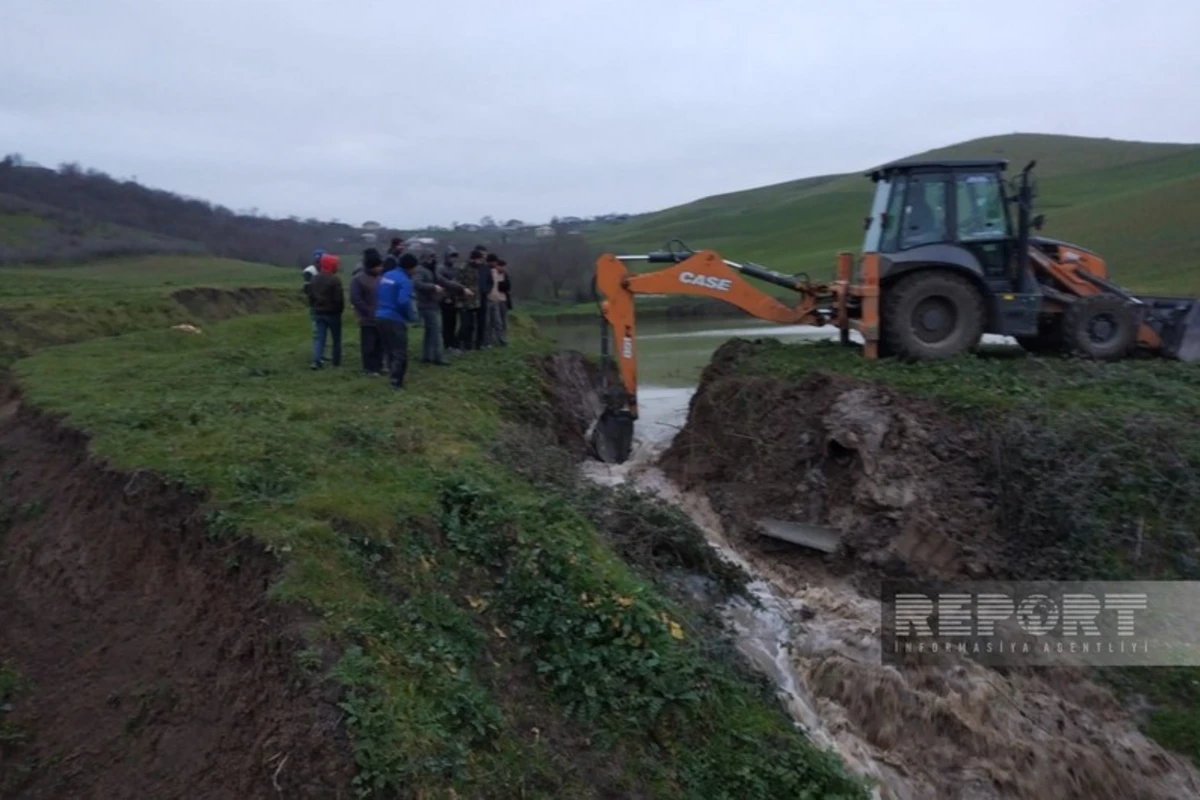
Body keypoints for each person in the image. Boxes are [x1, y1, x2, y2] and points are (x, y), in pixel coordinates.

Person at [376, 253, 419, 390]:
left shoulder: (387, 275)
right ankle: (396, 382)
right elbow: (403, 301)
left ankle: (391, 375)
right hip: (394, 318)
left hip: (379, 316)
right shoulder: (405, 281)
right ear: (410, 268)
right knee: (400, 352)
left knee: (389, 350)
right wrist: (409, 317)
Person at [351, 247, 384, 375]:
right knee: (368, 345)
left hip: (381, 316)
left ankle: (379, 366)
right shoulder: (358, 279)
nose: (380, 268)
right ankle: (369, 368)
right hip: (367, 318)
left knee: (380, 344)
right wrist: (369, 311)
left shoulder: (380, 278)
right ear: (371, 267)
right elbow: (355, 298)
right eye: (378, 266)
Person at [308, 253, 344, 369]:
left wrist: (314, 307)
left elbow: (311, 296)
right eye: (336, 264)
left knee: (319, 338)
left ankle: (316, 361)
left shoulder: (314, 279)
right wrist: (339, 310)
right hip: (333, 313)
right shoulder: (335, 280)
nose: (337, 267)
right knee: (336, 339)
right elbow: (339, 299)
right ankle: (336, 361)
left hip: (318, 312)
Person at [413, 252, 449, 365]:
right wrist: (433, 287)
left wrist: (461, 288)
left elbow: (445, 281)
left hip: (432, 303)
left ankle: (427, 356)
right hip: (425, 304)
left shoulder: (432, 271)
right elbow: (417, 283)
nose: (432, 261)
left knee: (430, 332)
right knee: (436, 331)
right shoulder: (420, 270)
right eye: (430, 258)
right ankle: (438, 357)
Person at [456, 249, 484, 350]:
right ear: (474, 259)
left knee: (471, 325)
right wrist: (463, 291)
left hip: (474, 302)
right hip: (464, 302)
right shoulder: (463, 268)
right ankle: (457, 344)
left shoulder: (475, 269)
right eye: (480, 260)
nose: (481, 262)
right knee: (465, 325)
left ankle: (468, 346)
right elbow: (457, 283)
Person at [437, 248, 464, 352]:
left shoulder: (455, 269)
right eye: (451, 257)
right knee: (447, 323)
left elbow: (458, 281)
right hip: (445, 298)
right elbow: (442, 282)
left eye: (455, 257)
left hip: (454, 298)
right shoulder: (440, 268)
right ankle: (448, 344)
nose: (453, 259)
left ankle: (453, 343)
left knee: (453, 322)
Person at [487, 258, 511, 346]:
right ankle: (491, 340)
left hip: (502, 299)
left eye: (504, 267)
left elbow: (508, 287)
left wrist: (503, 285)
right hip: (491, 299)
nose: (503, 268)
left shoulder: (505, 274)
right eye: (501, 266)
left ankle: (502, 339)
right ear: (497, 266)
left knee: (501, 322)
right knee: (492, 322)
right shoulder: (491, 273)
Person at [475, 253, 497, 348]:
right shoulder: (474, 268)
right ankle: (472, 343)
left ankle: (481, 342)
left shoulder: (486, 269)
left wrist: (486, 290)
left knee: (483, 321)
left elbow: (490, 282)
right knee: (471, 322)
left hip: (484, 296)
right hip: (474, 296)